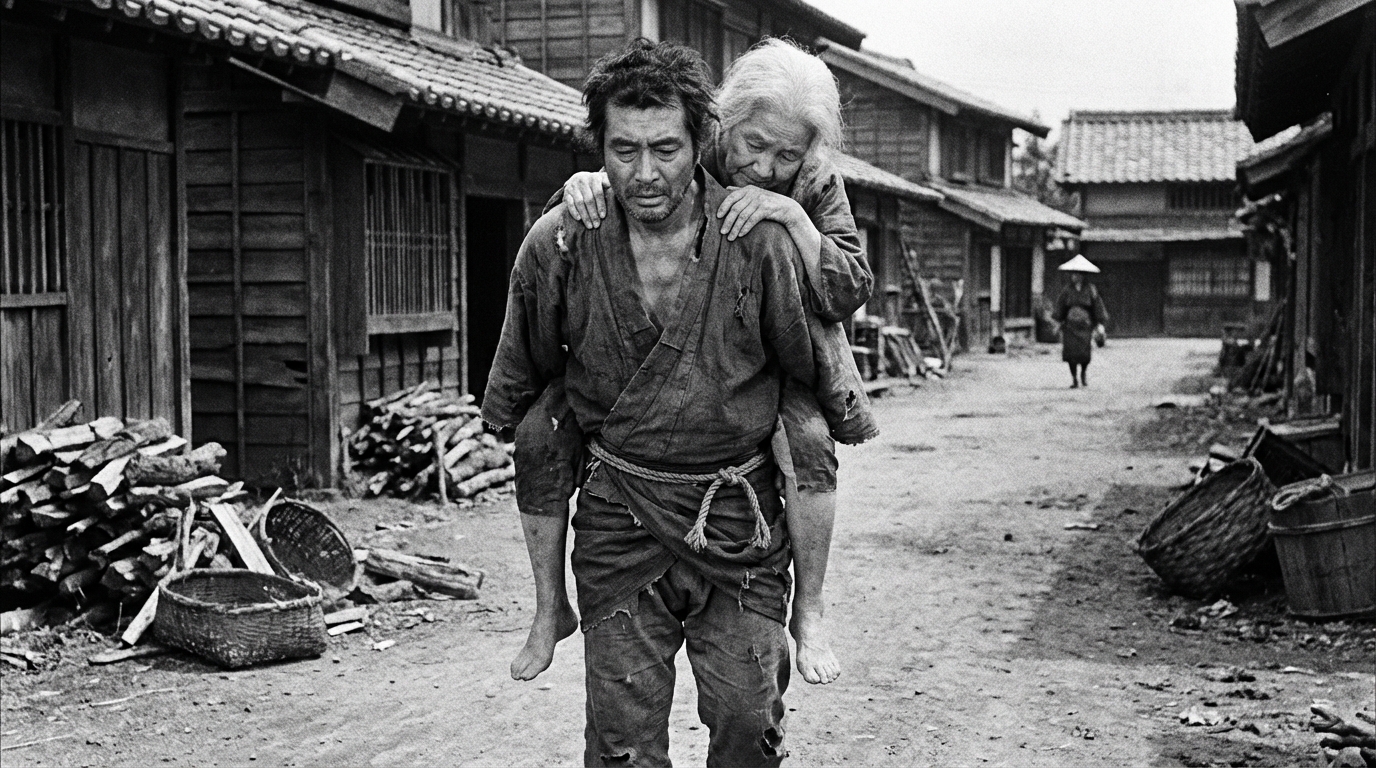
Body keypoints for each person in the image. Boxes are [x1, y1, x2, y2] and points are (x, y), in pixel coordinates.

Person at [482, 39, 857, 766]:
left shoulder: (770, 227)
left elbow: (821, 323)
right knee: (621, 745)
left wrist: (794, 223)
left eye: (666, 149)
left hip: (736, 516)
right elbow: (522, 365)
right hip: (620, 512)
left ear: (696, 141)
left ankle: (810, 609)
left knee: (750, 724)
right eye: (623, 151)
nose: (645, 172)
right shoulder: (567, 235)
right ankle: (546, 606)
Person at [1053, 254, 1109, 388]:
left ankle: (1083, 374)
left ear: (1083, 275)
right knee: (1070, 353)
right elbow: (1061, 307)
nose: (1075, 277)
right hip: (1070, 326)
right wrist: (1058, 322)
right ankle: (1074, 379)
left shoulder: (1091, 289)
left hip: (1085, 326)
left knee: (1084, 354)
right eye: (1073, 274)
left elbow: (1097, 307)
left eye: (1078, 274)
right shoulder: (1067, 290)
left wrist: (1100, 324)